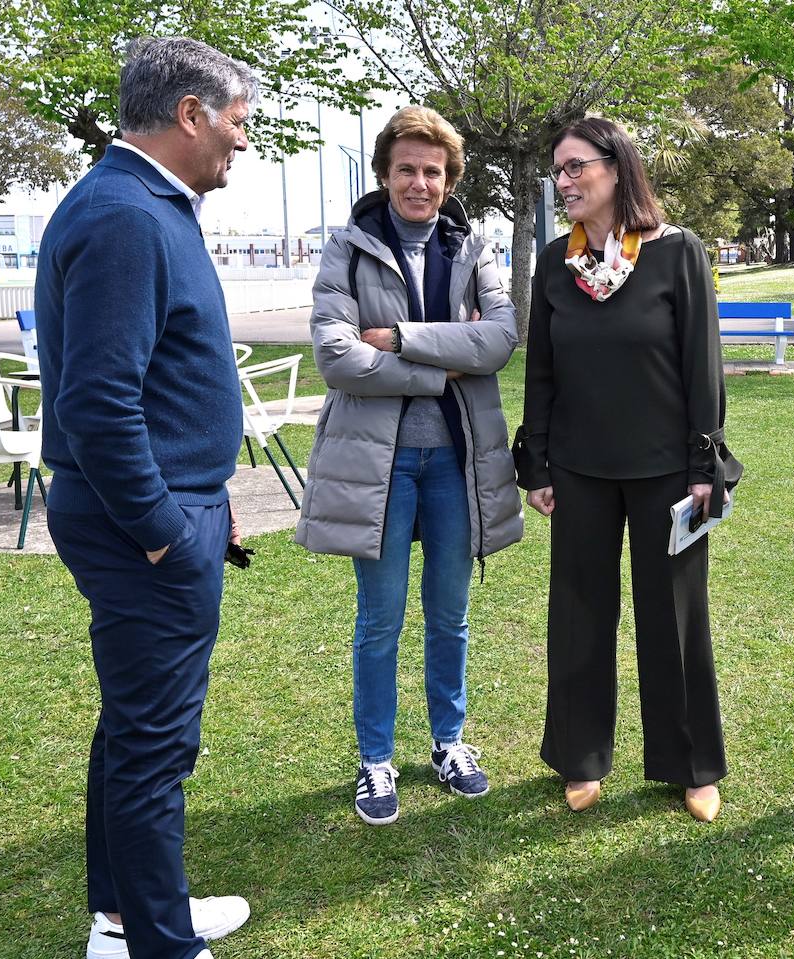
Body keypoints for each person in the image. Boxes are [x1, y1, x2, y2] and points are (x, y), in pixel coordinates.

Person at [36, 37, 256, 959]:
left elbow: (160, 385)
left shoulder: (149, 204)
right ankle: (159, 943)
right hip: (144, 529)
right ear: (190, 115)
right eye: (238, 123)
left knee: (139, 728)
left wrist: (211, 496)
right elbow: (97, 403)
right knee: (155, 745)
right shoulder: (126, 215)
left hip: (174, 509)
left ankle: (127, 914)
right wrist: (168, 530)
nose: (243, 143)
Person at [295, 106, 522, 824]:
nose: (419, 182)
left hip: (457, 459)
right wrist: (436, 369)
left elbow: (498, 340)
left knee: (450, 616)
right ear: (386, 174)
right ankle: (375, 759)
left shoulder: (475, 246)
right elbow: (336, 357)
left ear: (449, 177)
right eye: (406, 169)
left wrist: (399, 337)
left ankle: (449, 742)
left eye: (432, 170)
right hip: (379, 465)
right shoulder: (347, 248)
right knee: (380, 619)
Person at [517, 116, 731, 822]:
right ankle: (580, 755)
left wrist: (705, 463)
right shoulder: (555, 262)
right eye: (559, 170)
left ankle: (692, 765)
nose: (565, 180)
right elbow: (541, 369)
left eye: (576, 167)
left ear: (617, 169)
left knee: (674, 618)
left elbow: (703, 367)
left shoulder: (677, 253)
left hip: (670, 473)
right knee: (579, 614)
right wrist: (537, 459)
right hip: (578, 468)